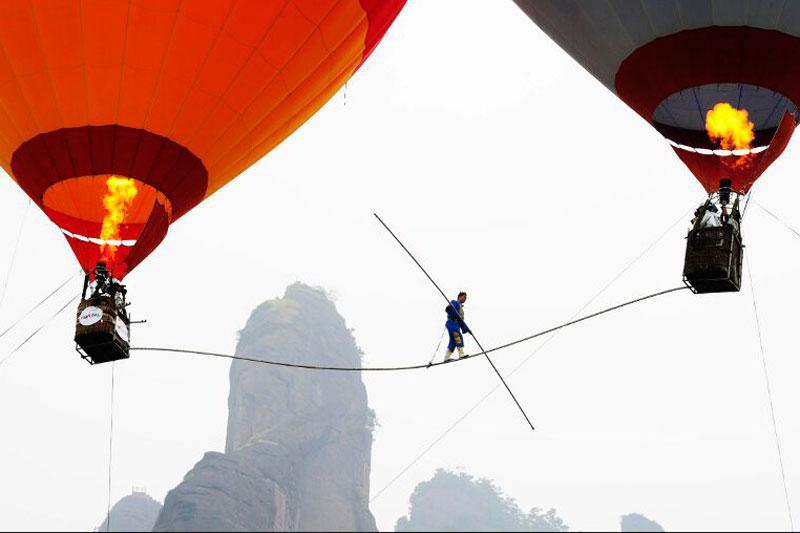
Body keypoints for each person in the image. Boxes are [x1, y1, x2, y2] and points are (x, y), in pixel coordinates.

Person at [444, 291, 470, 362]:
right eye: (464, 297)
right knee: (457, 336)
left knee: (453, 342)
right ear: (459, 297)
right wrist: (448, 308)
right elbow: (449, 308)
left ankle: (446, 358)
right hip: (452, 322)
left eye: (466, 298)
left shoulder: (462, 310)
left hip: (456, 324)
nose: (465, 299)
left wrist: (467, 329)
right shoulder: (455, 302)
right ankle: (461, 354)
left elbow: (461, 321)